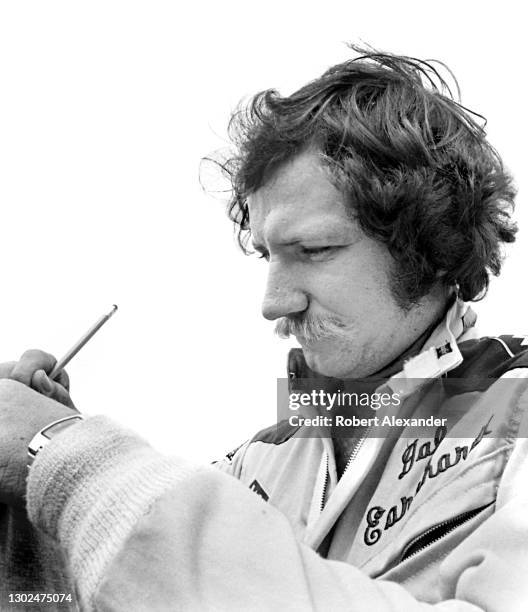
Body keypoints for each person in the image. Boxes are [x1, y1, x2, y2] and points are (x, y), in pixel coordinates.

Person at [1, 47, 528, 611]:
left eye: (316, 249)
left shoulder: (516, 410)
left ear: (432, 247)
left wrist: (71, 459)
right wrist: (27, 508)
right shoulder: (258, 461)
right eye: (267, 256)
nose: (273, 303)